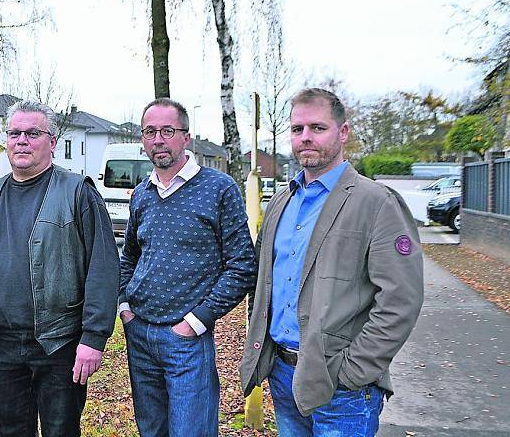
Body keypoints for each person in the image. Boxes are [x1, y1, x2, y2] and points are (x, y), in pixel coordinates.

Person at [239, 88, 424, 436]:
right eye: (297, 129)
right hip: (283, 374)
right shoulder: (282, 202)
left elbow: (401, 299)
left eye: (317, 127)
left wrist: (353, 371)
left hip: (343, 389)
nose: (305, 137)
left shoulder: (377, 203)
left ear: (343, 133)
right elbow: (264, 284)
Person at [0, 99, 119, 437]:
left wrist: (94, 337)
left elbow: (103, 269)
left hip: (59, 344)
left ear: (52, 142)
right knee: (11, 431)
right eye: (14, 133)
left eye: (32, 133)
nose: (22, 140)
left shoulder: (77, 192)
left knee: (61, 430)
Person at [120, 98, 257, 437]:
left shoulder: (218, 189)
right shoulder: (142, 194)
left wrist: (196, 322)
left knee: (190, 432)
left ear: (186, 137)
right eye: (150, 131)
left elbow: (242, 266)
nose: (158, 139)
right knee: (152, 430)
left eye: (168, 130)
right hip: (139, 334)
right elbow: (130, 257)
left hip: (187, 340)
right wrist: (125, 307)